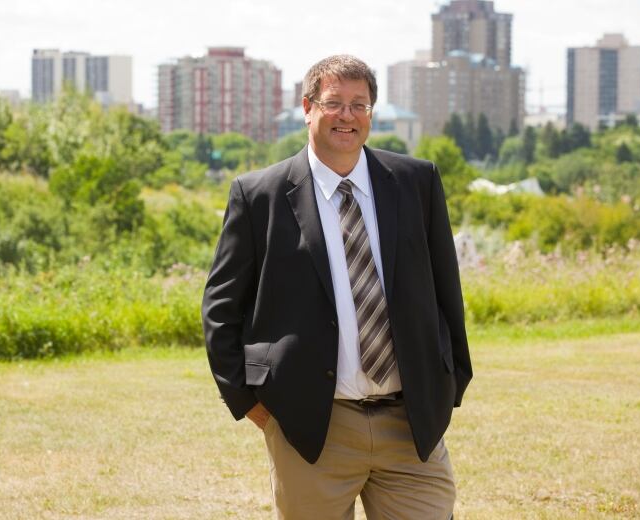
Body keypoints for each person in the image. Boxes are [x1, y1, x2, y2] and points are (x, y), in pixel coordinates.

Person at [202, 54, 472, 519]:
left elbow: (447, 290)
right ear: (307, 108)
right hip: (311, 430)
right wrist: (253, 406)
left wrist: (452, 380)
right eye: (333, 103)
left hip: (410, 427)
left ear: (371, 113)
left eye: (359, 104)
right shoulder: (259, 195)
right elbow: (221, 309)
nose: (347, 115)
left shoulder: (416, 182)